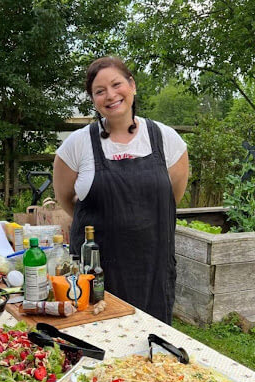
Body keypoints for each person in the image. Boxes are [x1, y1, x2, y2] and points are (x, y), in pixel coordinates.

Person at [53, 56, 189, 324]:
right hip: (98, 272)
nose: (110, 95)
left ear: (132, 85)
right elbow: (68, 202)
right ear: (93, 99)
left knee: (151, 352)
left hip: (153, 270)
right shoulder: (77, 145)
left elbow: (172, 198)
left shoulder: (167, 139)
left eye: (116, 85)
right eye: (99, 91)